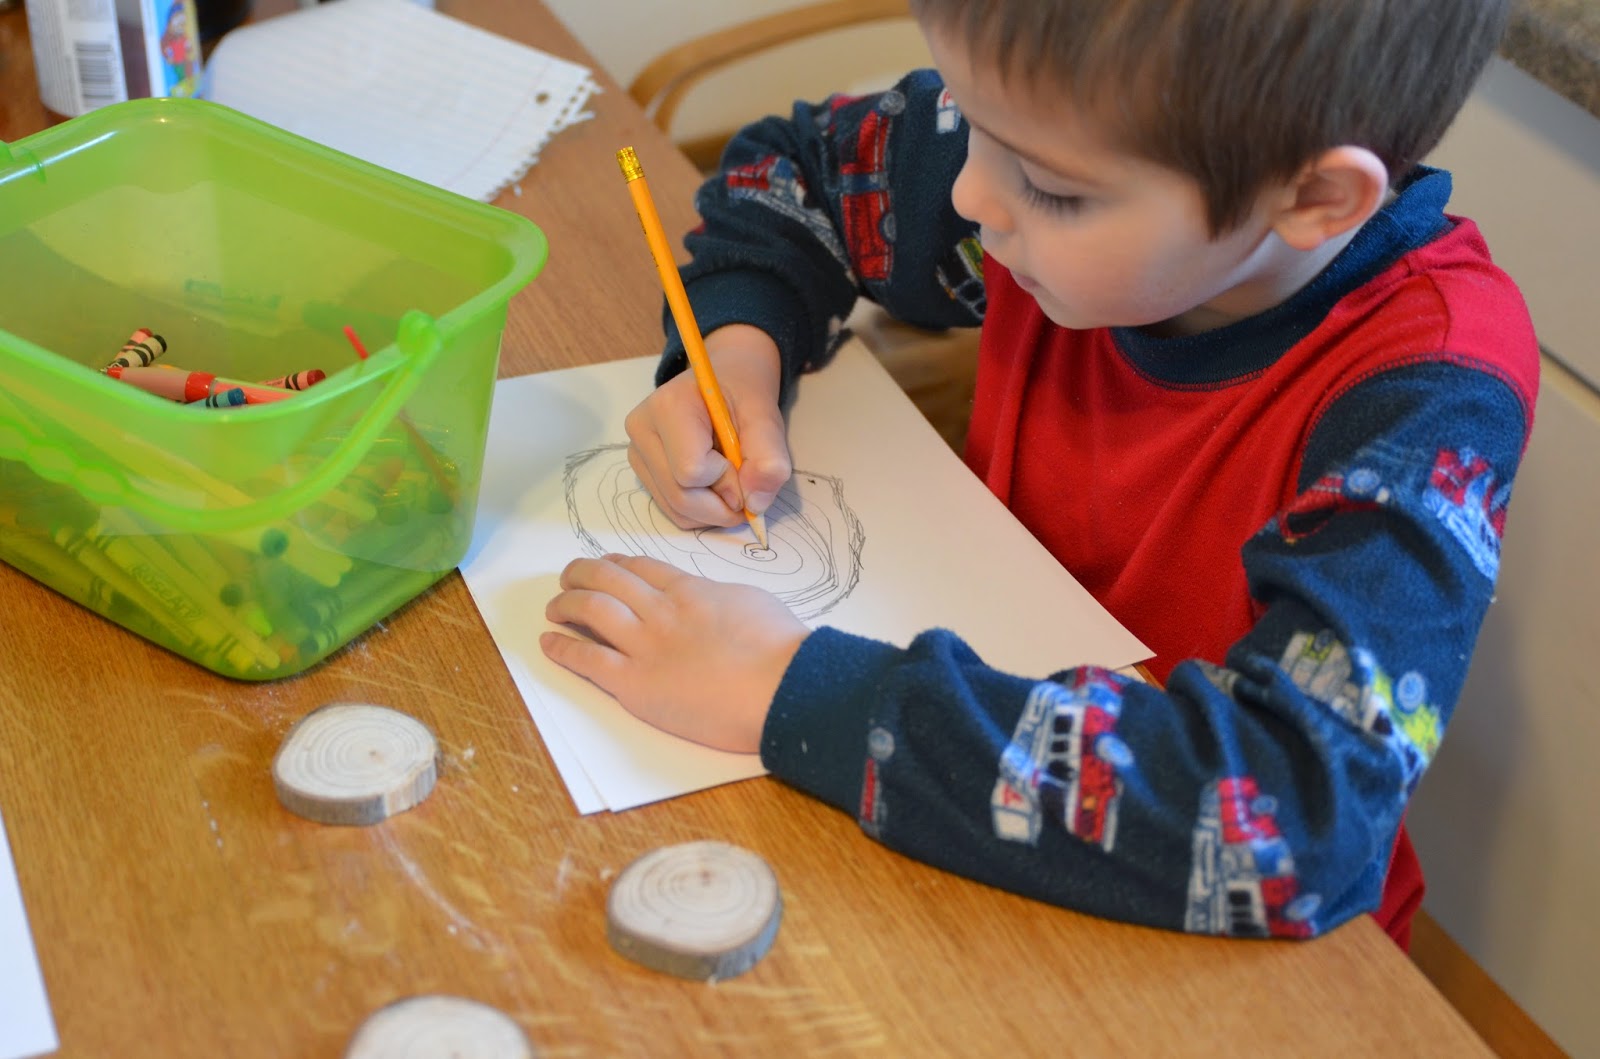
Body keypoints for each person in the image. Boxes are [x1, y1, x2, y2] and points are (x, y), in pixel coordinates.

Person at [541, 0, 1538, 948]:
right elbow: (796, 175)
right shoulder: (1056, 149)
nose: (971, 196)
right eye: (971, 126)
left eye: (1053, 189)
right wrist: (738, 344)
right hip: (965, 830)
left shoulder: (1428, 392)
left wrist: (788, 687)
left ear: (1313, 199)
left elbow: (1297, 816)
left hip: (1220, 958)